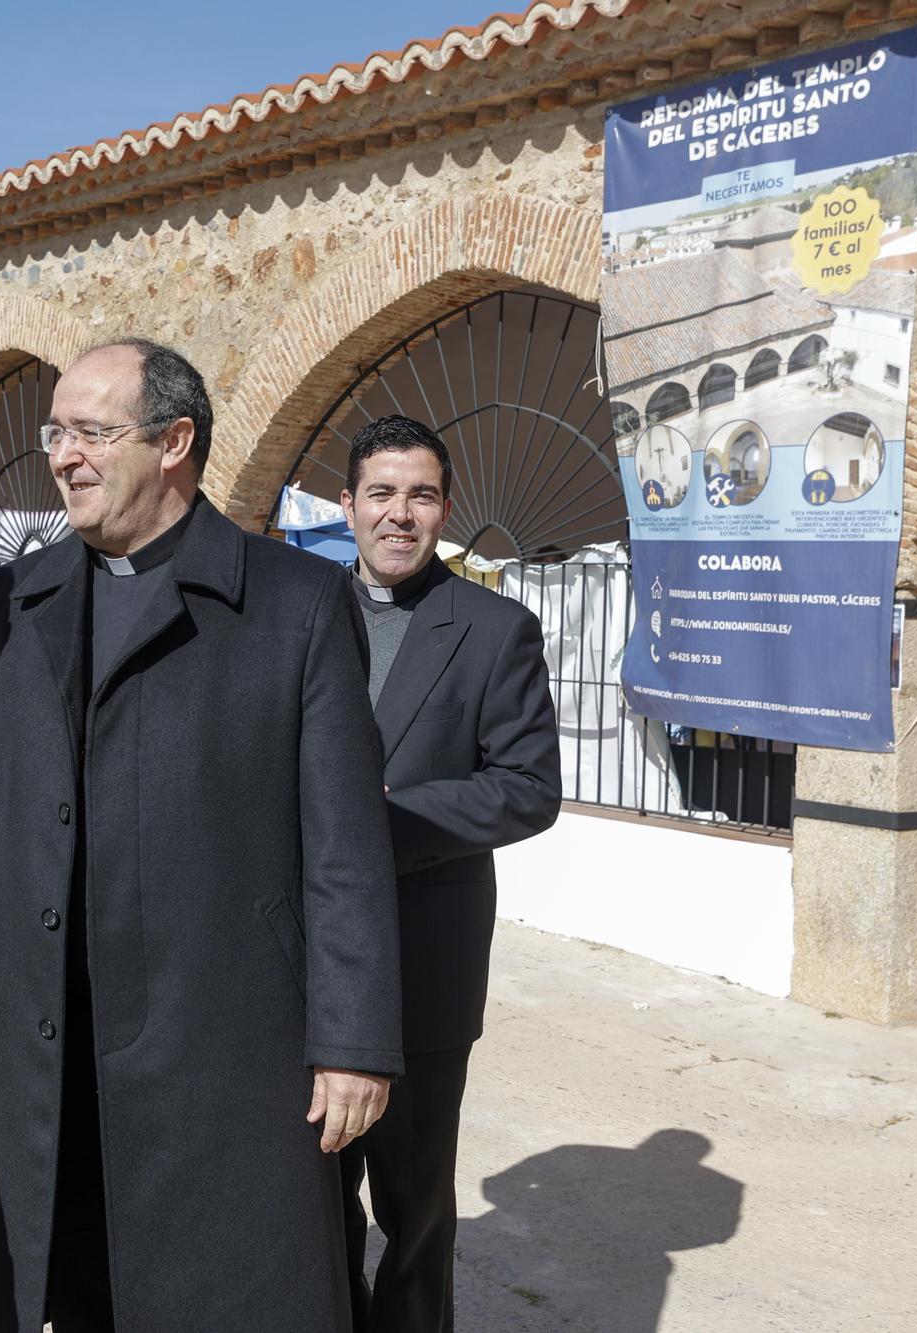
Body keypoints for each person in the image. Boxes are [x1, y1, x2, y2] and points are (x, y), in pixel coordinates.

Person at [0, 338, 403, 1332]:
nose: (62, 456)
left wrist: (353, 1042)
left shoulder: (295, 605)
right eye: (56, 432)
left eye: (92, 432)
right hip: (50, 1033)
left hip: (219, 1044)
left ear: (174, 441)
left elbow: (343, 846)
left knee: (221, 1288)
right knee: (63, 1277)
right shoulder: (9, 603)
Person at [333, 415, 561, 1333]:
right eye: (380, 494)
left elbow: (527, 789)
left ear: (445, 510)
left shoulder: (496, 627)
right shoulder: (294, 614)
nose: (399, 514)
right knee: (308, 1195)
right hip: (303, 959)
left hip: (423, 964)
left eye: (420, 495)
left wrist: (378, 819)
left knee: (414, 1208)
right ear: (346, 505)